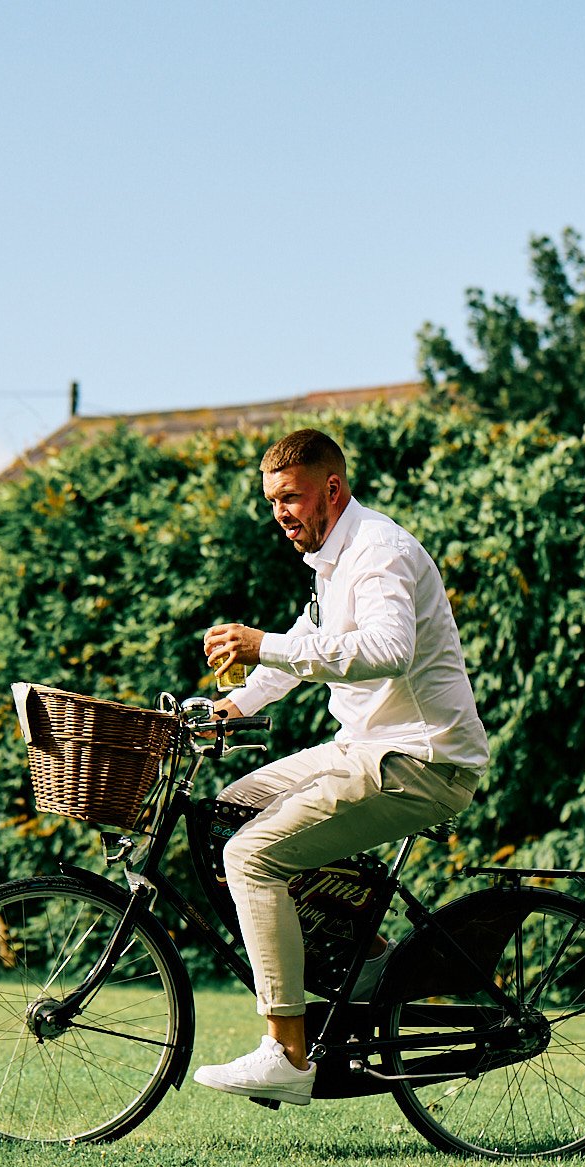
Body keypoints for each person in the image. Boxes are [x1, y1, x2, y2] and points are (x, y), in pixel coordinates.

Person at [192, 427, 488, 1106]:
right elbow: (303, 645)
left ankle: (287, 1053)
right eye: (272, 502)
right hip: (367, 747)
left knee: (252, 856)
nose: (281, 514)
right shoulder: (331, 559)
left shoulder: (380, 550)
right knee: (231, 810)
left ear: (332, 489)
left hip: (420, 758)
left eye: (291, 497)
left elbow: (385, 647)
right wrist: (231, 706)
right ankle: (370, 959)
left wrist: (260, 644)